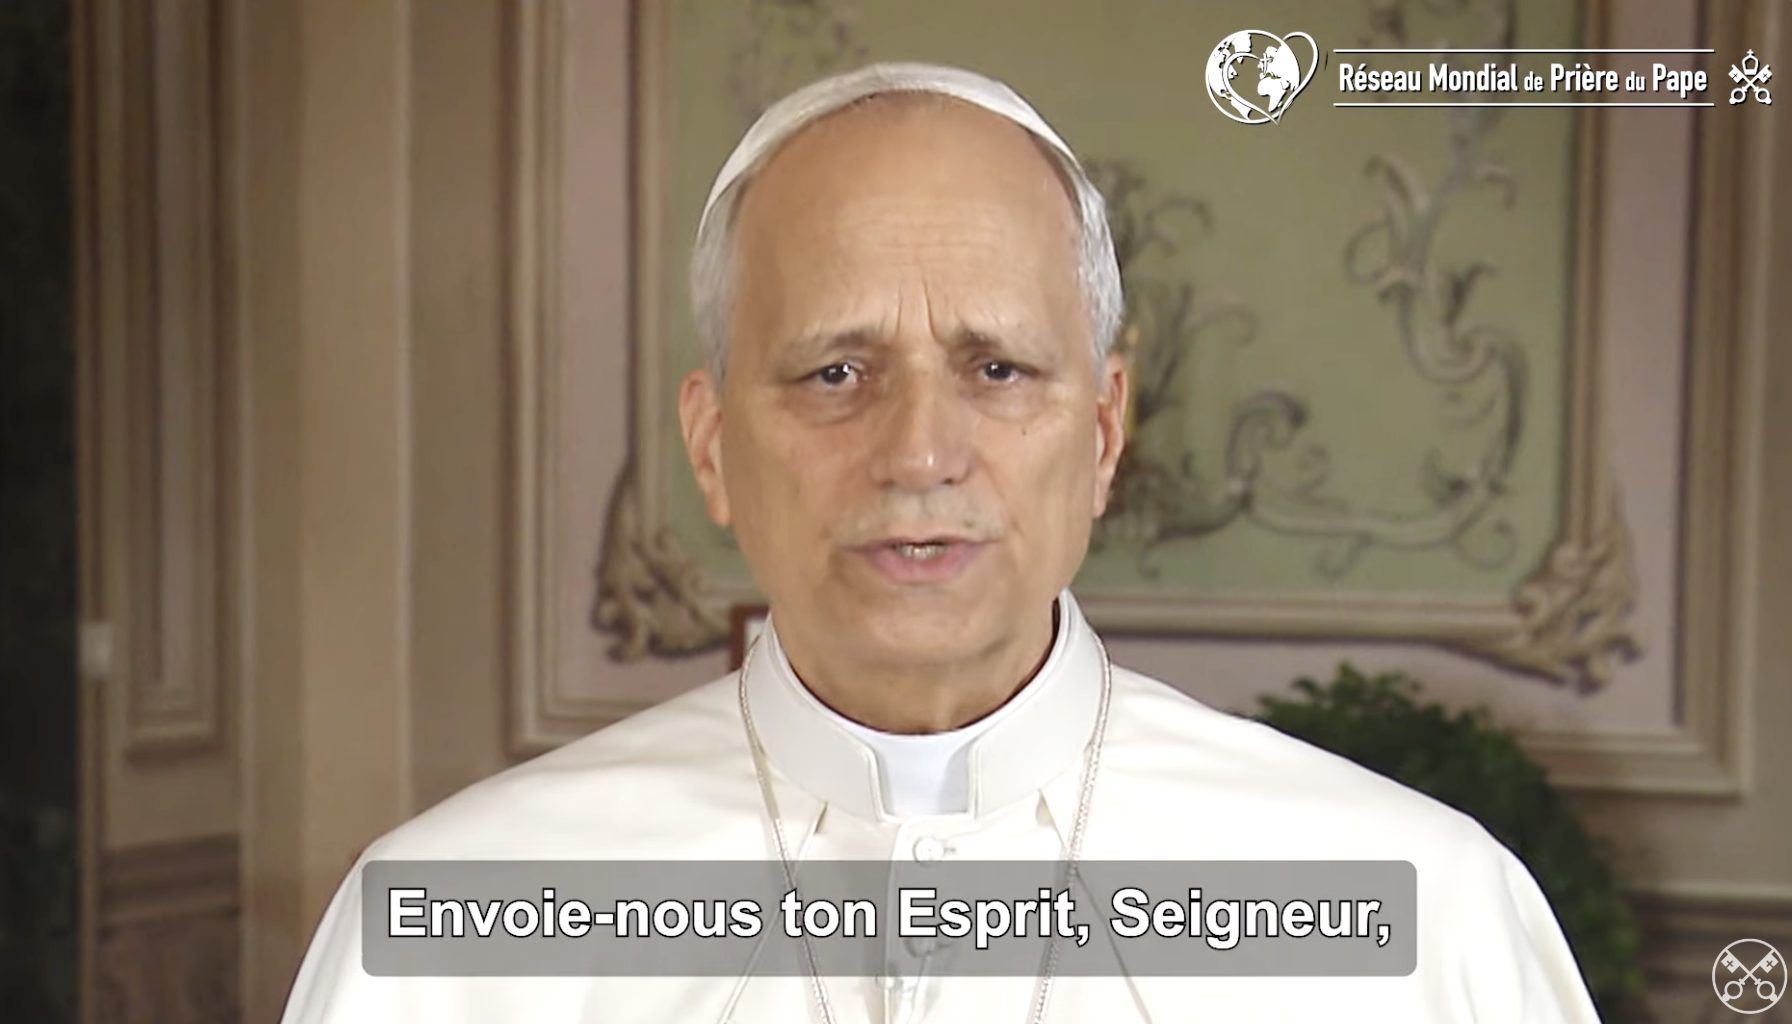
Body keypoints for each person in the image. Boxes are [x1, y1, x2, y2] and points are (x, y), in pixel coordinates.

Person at [280, 62, 1601, 1023]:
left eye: (998, 368)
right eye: (835, 373)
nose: (919, 454)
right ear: (712, 447)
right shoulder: (447, 933)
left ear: (1102, 431)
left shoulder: (1424, 913)